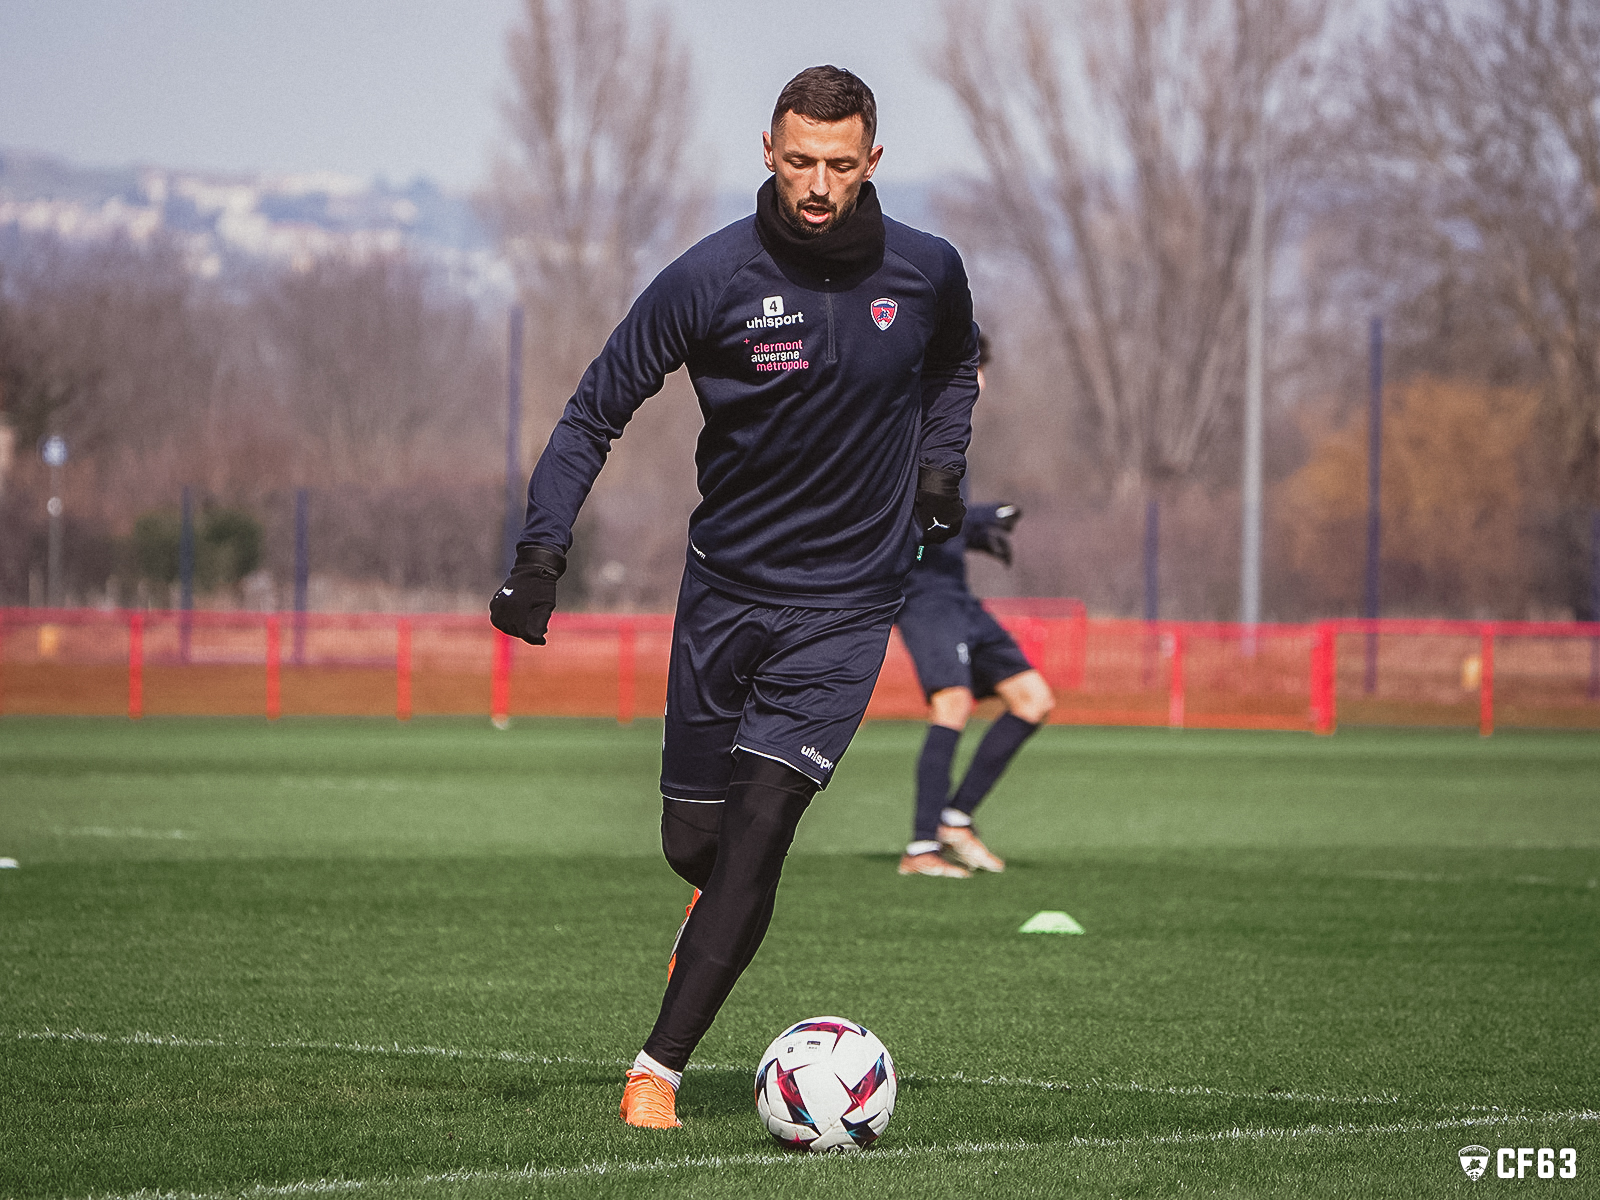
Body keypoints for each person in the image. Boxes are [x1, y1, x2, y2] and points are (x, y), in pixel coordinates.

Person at [489, 66, 980, 1130]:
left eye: (839, 165)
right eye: (798, 160)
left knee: (760, 832)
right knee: (697, 848)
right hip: (723, 597)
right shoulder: (707, 279)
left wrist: (940, 480)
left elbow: (953, 370)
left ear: (873, 162)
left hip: (848, 608)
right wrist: (541, 554)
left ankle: (655, 1071)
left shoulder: (928, 271)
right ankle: (710, 921)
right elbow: (590, 415)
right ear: (766, 149)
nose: (816, 184)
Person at [895, 338, 1054, 879]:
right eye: (975, 367)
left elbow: (940, 518)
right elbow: (905, 508)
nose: (982, 378)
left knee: (1032, 699)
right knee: (954, 703)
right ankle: (920, 849)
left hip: (957, 594)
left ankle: (955, 821)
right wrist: (987, 515)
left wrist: (975, 535)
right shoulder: (910, 425)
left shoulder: (949, 429)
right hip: (921, 593)